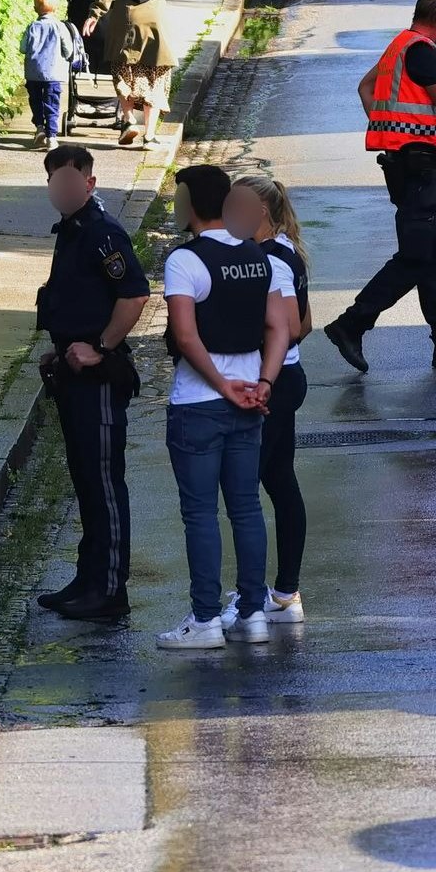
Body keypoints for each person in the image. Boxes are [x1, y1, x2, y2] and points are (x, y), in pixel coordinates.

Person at [155, 164, 297, 651]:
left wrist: (221, 383)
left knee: (200, 513)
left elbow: (185, 334)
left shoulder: (185, 261)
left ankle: (205, 619)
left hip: (199, 403)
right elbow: (282, 328)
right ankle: (254, 614)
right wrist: (263, 383)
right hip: (250, 403)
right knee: (246, 508)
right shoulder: (262, 259)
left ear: (192, 203)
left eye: (179, 198)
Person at [322, 0, 436, 372]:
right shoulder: (421, 52)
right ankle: (352, 323)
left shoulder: (398, 46)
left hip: (411, 168)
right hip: (418, 171)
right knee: (416, 258)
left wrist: (388, 128)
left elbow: (364, 88)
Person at [32, 144, 151, 620]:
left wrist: (99, 347)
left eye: (68, 181)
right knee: (84, 480)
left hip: (98, 376)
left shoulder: (103, 234)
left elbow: (135, 294)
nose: (60, 190)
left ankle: (109, 590)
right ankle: (88, 578)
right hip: (72, 370)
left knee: (102, 483)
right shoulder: (73, 231)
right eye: (53, 182)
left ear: (89, 183)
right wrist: (62, 349)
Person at [229, 175, 311, 626]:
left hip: (273, 381)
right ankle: (283, 594)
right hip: (285, 376)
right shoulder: (284, 252)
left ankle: (252, 598)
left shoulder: (271, 261)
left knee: (247, 490)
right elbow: (307, 323)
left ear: (259, 212)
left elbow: (294, 324)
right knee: (280, 482)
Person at [86, 0, 174, 149]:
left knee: (123, 68)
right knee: (156, 71)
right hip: (155, 14)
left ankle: (128, 121)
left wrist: (96, 12)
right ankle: (149, 135)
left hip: (128, 15)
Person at [19, 0, 78, 151]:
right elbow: (68, 50)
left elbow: (23, 48)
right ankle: (51, 137)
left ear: (34, 8)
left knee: (36, 101)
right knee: (52, 104)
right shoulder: (59, 26)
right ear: (56, 8)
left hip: (33, 73)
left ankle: (39, 127)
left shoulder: (31, 27)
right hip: (53, 74)